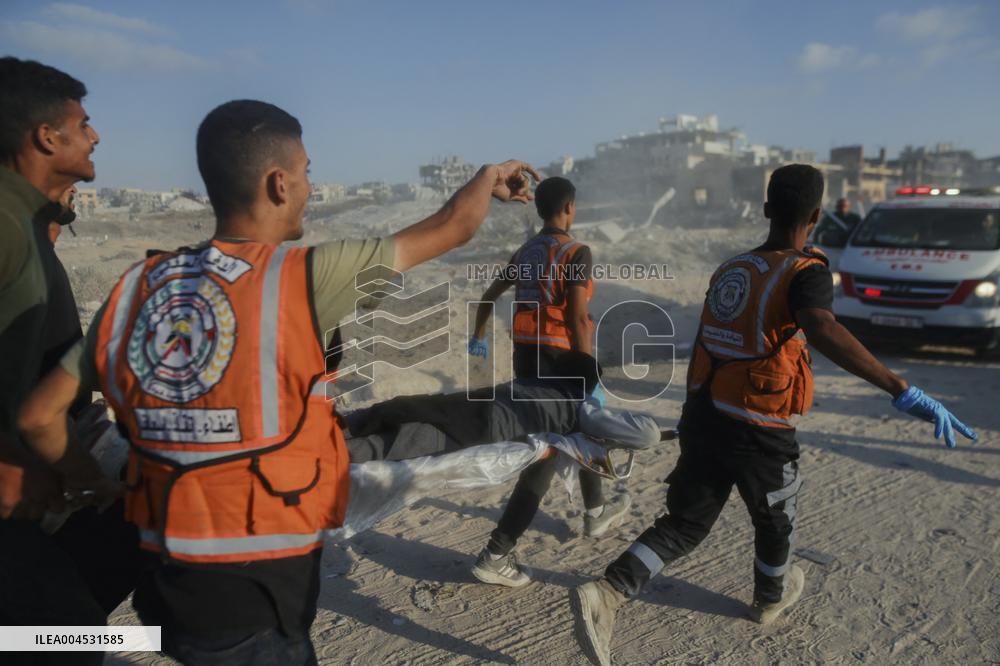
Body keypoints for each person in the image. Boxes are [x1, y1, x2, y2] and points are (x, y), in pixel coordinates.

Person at [17, 98, 539, 665]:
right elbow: (452, 227)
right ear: (278, 182)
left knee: (93, 636)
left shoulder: (138, 285)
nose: (313, 187)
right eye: (308, 172)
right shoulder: (303, 278)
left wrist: (92, 483)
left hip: (167, 588)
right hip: (255, 607)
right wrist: (488, 177)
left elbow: (39, 418)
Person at [568, 164, 977, 666]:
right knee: (774, 521)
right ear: (817, 215)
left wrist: (694, 410)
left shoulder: (732, 268)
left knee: (687, 523)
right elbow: (822, 328)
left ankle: (607, 592)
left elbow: (707, 339)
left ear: (765, 210)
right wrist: (900, 388)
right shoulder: (806, 271)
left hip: (706, 413)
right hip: (759, 427)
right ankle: (769, 598)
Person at [0, 57, 141, 664]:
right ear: (45, 136)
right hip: (13, 483)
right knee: (67, 635)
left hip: (41, 466)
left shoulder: (28, 222)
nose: (96, 135)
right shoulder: (5, 225)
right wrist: (10, 461)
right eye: (83, 124)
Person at [466, 176, 630, 588]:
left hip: (528, 359)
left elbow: (489, 296)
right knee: (549, 450)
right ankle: (497, 553)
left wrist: (478, 336)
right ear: (570, 207)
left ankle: (595, 513)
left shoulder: (528, 250)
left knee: (578, 430)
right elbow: (576, 318)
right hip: (562, 362)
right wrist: (588, 369)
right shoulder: (576, 251)